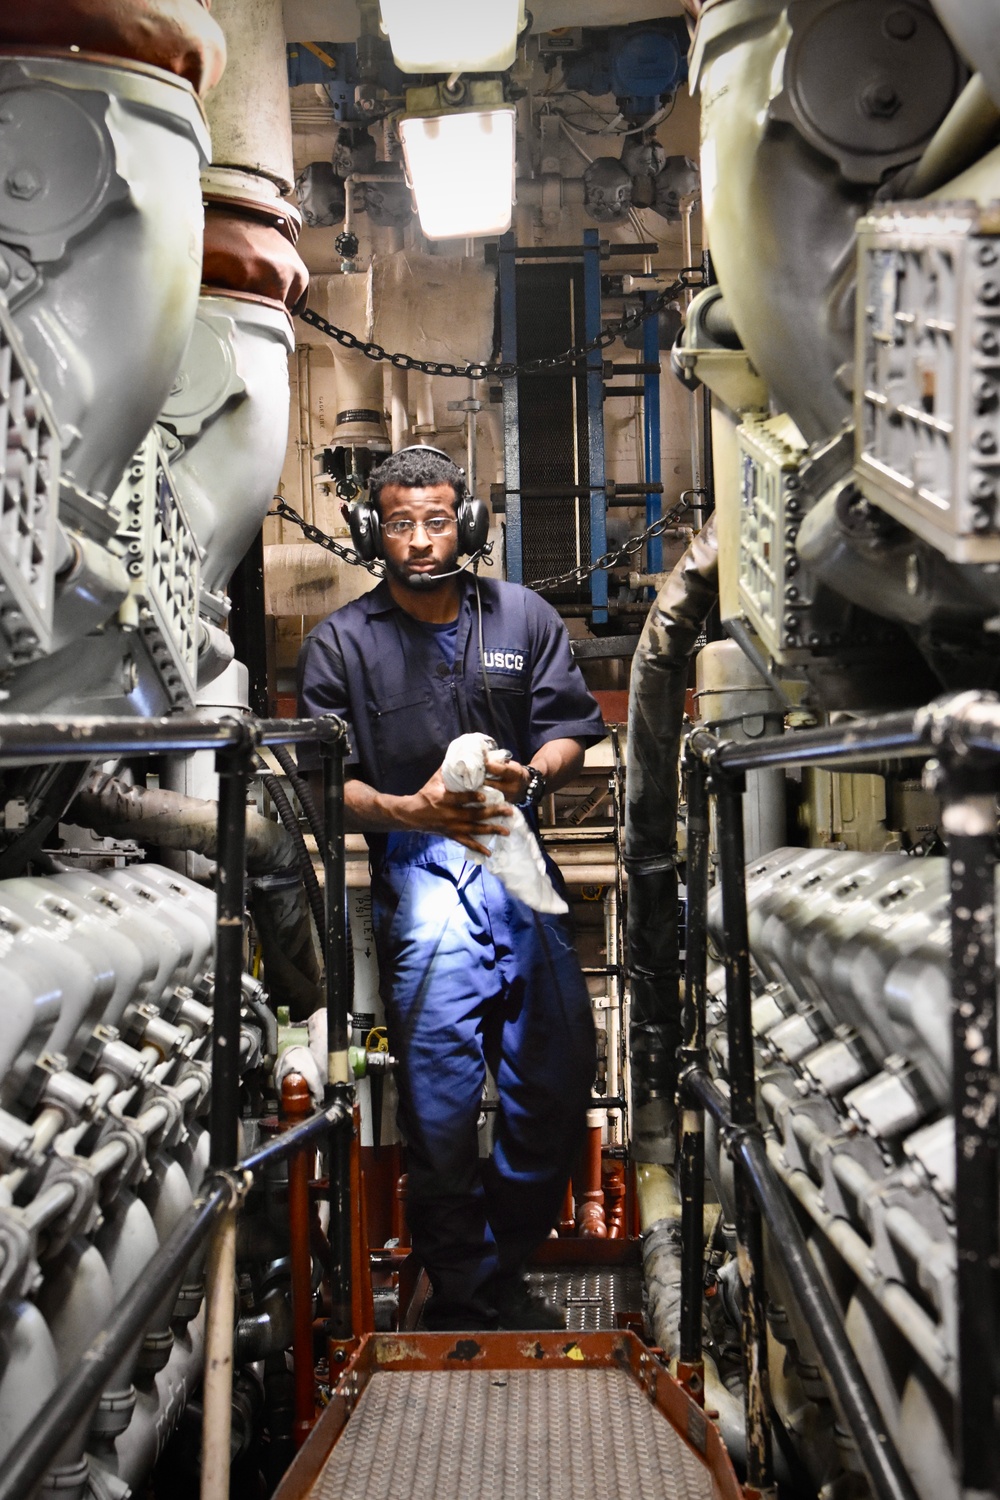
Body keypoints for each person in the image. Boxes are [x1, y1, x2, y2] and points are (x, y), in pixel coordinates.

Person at [297, 446, 604, 1331]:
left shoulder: (523, 615)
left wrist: (531, 781)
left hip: (517, 859)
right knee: (435, 1102)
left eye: (437, 520)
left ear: (465, 521)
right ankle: (464, 1296)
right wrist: (412, 811)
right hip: (419, 872)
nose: (421, 540)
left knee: (556, 1074)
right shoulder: (340, 646)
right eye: (400, 522)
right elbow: (327, 783)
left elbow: (568, 729)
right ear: (373, 530)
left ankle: (499, 1265)